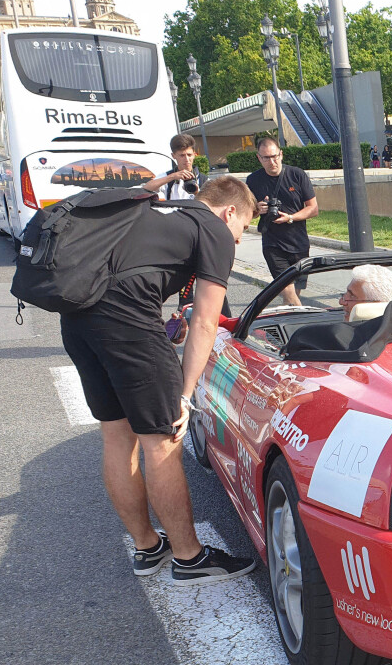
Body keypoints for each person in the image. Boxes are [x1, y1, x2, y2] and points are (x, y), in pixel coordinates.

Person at [58, 176, 259, 583]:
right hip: (128, 326)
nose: (237, 242)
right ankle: (189, 557)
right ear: (230, 212)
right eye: (242, 230)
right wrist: (184, 396)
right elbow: (205, 322)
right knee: (164, 440)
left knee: (116, 438)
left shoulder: (157, 211)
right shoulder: (212, 230)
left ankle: (147, 548)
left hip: (77, 321)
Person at [245, 136, 319, 307]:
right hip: (273, 245)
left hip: (299, 243)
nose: (272, 162)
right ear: (259, 158)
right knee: (290, 294)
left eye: (275, 156)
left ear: (281, 154)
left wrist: (291, 217)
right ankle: (304, 324)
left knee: (292, 297)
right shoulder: (253, 180)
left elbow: (313, 208)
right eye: (267, 158)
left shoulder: (297, 175)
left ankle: (288, 327)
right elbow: (248, 213)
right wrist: (257, 209)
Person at [142, 134, 206, 200]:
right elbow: (146, 188)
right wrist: (173, 177)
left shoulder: (204, 180)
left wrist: (197, 193)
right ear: (173, 156)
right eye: (182, 155)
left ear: (194, 154)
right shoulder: (168, 177)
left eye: (189, 155)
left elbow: (212, 205)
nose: (186, 159)